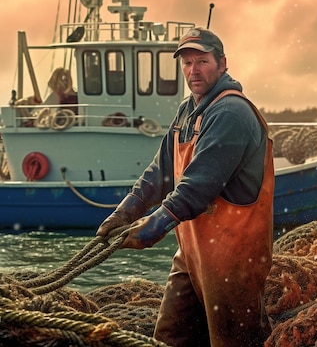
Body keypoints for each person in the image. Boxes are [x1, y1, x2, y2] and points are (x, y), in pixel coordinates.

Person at [96, 27, 274, 347]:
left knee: (232, 342)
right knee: (169, 338)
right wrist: (125, 213)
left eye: (202, 61)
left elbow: (196, 188)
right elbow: (160, 172)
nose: (193, 70)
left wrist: (152, 227)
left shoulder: (231, 112)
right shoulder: (187, 110)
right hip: (192, 254)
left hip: (233, 261)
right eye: (187, 62)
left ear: (222, 63)